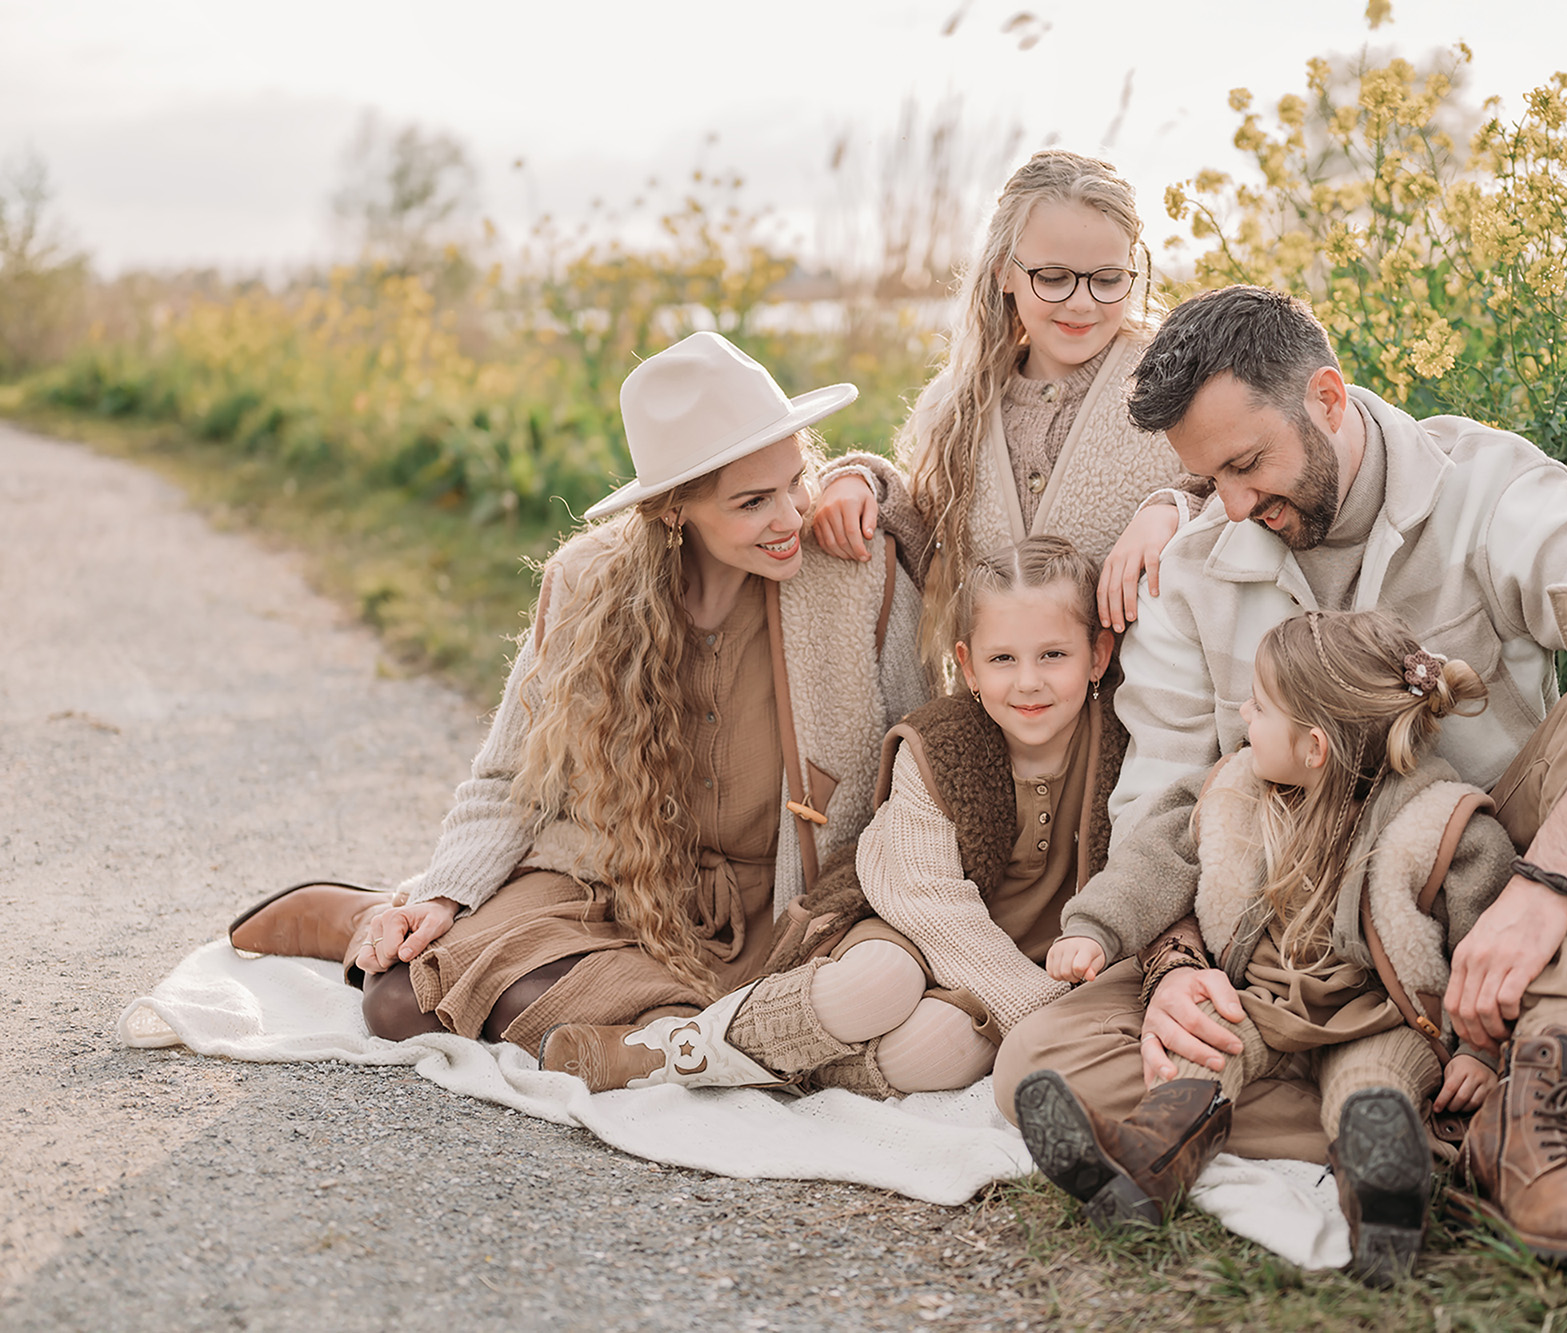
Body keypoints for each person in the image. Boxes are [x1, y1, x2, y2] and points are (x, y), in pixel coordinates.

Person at [993, 285, 1567, 1285]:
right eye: (1200, 479)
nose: (1228, 505)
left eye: (1244, 463)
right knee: (1034, 1066)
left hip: (1466, 882)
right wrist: (1175, 962)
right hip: (1286, 935)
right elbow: (1163, 793)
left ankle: (1545, 1081)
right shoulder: (1197, 557)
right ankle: (1472, 1119)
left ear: (1327, 397)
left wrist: (1542, 887)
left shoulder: (1483, 490)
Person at [227, 331, 924, 1061]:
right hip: (617, 888)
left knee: (762, 1020)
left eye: (797, 479)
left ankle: (645, 1036)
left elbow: (919, 753)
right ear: (673, 511)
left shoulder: (853, 573)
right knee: (403, 1002)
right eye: (753, 502)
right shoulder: (587, 586)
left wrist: (864, 478)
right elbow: (510, 779)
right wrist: (445, 893)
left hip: (784, 910)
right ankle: (383, 916)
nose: (789, 517)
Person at [1016, 610, 1513, 1286]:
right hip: (1265, 1002)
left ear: (1313, 747)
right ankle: (1145, 1159)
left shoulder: (1442, 825)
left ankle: (1383, 1199)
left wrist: (1483, 1050)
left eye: (1259, 703)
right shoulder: (1235, 789)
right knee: (1203, 1047)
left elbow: (1488, 945)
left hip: (1375, 1016)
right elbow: (1155, 860)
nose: (1243, 710)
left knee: (1373, 1090)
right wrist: (1093, 927)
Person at [538, 535, 1125, 1097]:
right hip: (909, 926)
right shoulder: (943, 748)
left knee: (934, 1049)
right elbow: (929, 902)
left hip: (1035, 964)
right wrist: (1043, 1010)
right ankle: (669, 1051)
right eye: (1004, 658)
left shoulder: (1124, 749)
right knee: (879, 984)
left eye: (1054, 655)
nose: (1028, 681)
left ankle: (785, 1068)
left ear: (1097, 655)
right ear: (968, 668)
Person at [809, 148, 1191, 680]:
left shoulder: (1173, 387)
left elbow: (1240, 496)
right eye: (1054, 277)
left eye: (1107, 280)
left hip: (1145, 727)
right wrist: (861, 483)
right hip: (1004, 725)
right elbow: (928, 548)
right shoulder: (955, 409)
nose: (1081, 303)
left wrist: (1175, 508)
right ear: (1002, 274)